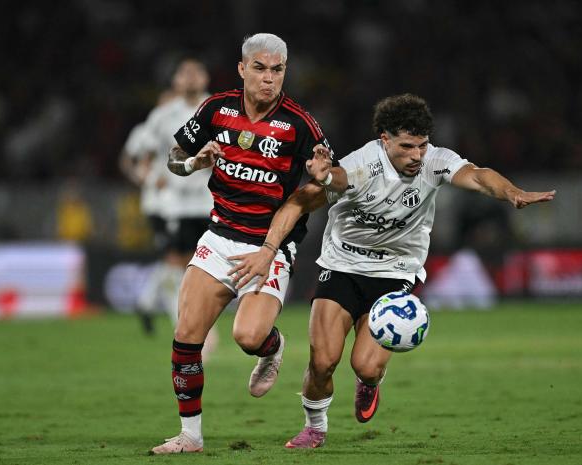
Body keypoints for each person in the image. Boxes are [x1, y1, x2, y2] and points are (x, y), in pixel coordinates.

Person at [228, 93, 556, 449]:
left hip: (395, 273)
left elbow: (478, 177)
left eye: (422, 145)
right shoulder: (361, 166)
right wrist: (323, 179)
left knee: (365, 366)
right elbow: (327, 185)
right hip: (342, 267)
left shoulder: (435, 161)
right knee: (322, 362)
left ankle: (369, 383)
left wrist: (510, 192)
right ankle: (315, 428)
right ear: (384, 140)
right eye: (407, 146)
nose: (417, 155)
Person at [149, 33, 341, 455]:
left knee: (248, 336)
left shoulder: (300, 124)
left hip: (269, 246)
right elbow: (173, 159)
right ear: (242, 69)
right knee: (185, 337)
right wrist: (193, 163)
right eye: (260, 68)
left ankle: (271, 348)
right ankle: (191, 436)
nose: (268, 79)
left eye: (277, 70)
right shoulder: (217, 109)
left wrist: (323, 178)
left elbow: (329, 187)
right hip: (219, 237)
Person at [119, 59, 218, 358]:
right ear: (175, 80)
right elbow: (139, 154)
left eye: (195, 71)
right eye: (184, 72)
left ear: (205, 77)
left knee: (199, 263)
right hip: (175, 204)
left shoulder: (218, 109)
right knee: (178, 260)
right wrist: (149, 179)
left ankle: (150, 302)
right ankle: (188, 329)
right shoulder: (163, 116)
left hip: (210, 199)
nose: (190, 77)